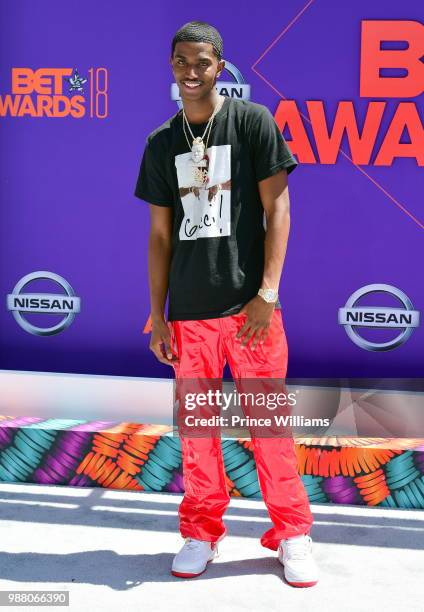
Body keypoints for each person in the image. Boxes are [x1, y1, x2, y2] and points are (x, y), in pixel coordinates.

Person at [134, 20, 319, 588]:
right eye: (182, 62)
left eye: (203, 63)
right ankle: (200, 532)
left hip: (251, 311)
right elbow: (161, 237)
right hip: (189, 316)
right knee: (197, 433)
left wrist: (267, 293)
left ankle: (292, 535)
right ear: (171, 65)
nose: (192, 72)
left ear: (221, 67)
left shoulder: (252, 122)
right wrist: (159, 313)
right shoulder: (161, 142)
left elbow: (278, 212)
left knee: (268, 428)